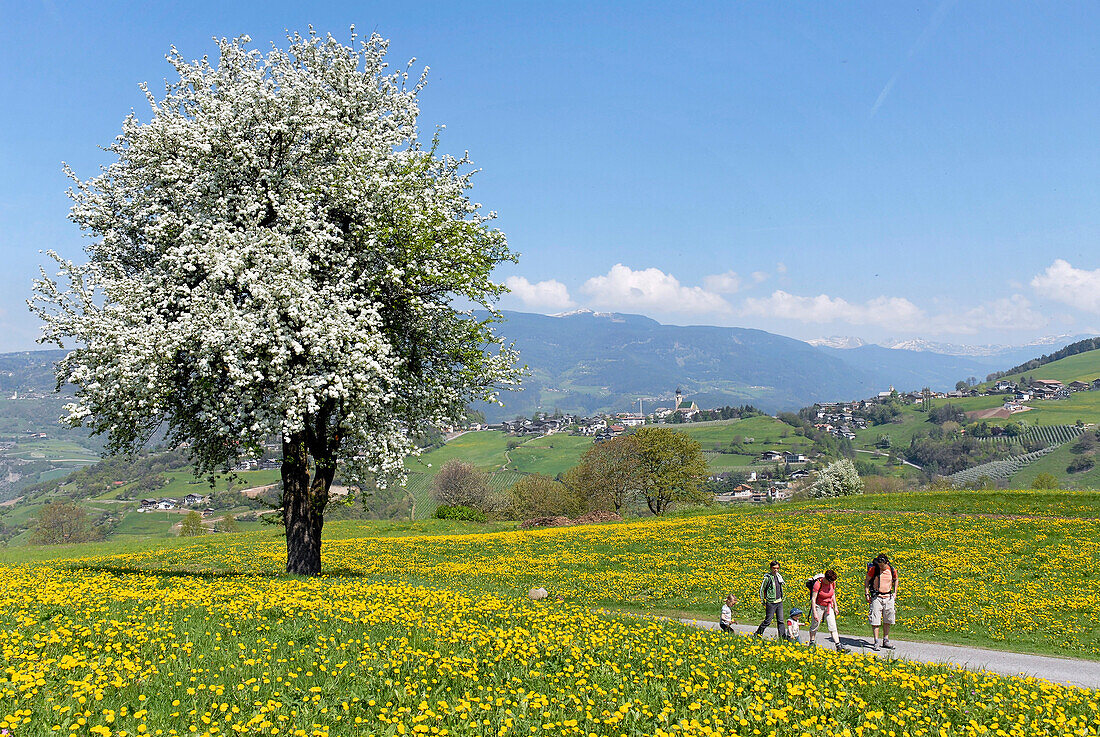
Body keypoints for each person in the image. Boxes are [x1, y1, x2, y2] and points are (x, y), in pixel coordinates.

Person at [808, 569, 848, 652]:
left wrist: (836, 606)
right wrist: (815, 612)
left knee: (832, 626)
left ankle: (838, 646)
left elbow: (833, 594)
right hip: (819, 606)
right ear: (826, 578)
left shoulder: (832, 583)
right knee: (815, 625)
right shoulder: (818, 584)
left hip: (829, 606)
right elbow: (813, 599)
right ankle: (811, 643)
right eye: (830, 581)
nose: (831, 583)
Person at [866, 553, 899, 650]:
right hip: (877, 597)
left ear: (886, 563)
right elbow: (867, 580)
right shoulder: (874, 570)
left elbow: (896, 579)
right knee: (875, 620)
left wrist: (895, 593)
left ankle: (886, 640)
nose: (881, 567)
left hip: (888, 597)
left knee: (888, 619)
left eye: (882, 565)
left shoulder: (892, 570)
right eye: (879, 565)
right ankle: (876, 641)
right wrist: (867, 593)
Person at [754, 560, 788, 639]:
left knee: (781, 621)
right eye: (774, 568)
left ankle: (783, 638)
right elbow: (762, 589)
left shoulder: (779, 577)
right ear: (771, 568)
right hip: (771, 602)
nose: (776, 570)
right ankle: (757, 634)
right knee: (768, 621)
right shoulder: (767, 578)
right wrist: (763, 601)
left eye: (777, 568)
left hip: (779, 602)